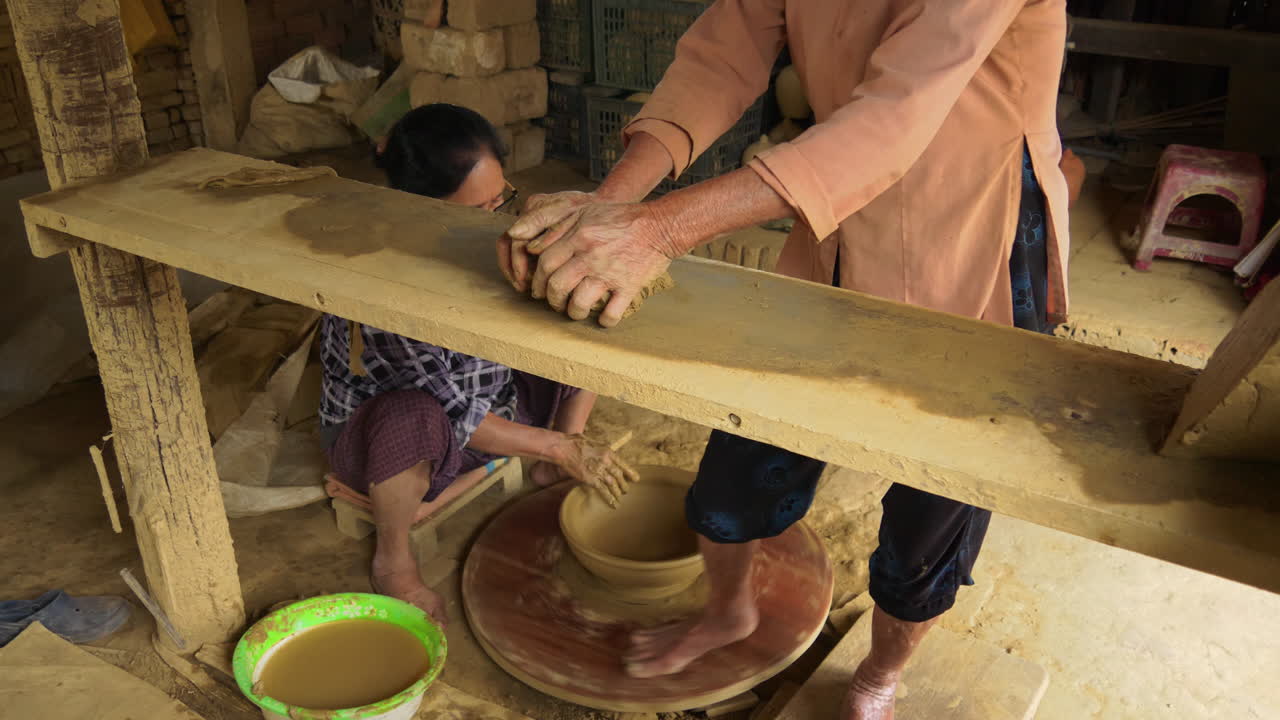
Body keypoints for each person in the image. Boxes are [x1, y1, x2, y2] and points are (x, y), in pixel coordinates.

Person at [496, 2, 1071, 718]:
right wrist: (603, 211)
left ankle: (878, 676)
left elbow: (892, 121)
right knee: (741, 460)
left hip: (978, 239)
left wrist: (662, 227)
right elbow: (723, 53)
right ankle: (727, 613)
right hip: (839, 220)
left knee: (931, 517)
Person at [321, 103, 636, 624]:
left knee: (581, 317)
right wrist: (559, 445)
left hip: (490, 412)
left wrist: (560, 444)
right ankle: (393, 558)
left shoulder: (480, 237)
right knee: (414, 416)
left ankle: (541, 466)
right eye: (478, 208)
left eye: (501, 199)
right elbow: (452, 412)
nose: (496, 217)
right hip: (388, 443)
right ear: (420, 205)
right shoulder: (378, 277)